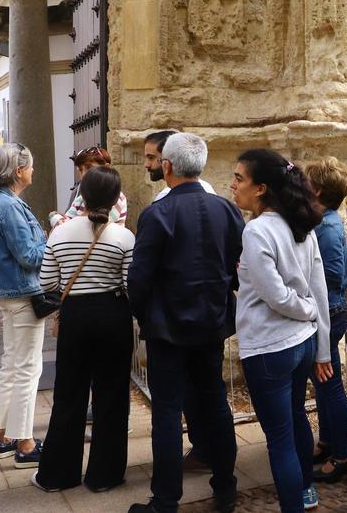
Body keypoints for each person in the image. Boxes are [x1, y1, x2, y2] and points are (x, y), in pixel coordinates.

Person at [127, 133, 241, 513]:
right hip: (211, 324)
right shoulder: (227, 209)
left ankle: (165, 499)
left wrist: (144, 316)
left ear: (168, 165)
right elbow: (236, 267)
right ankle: (225, 486)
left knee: (168, 412)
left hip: (168, 329)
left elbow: (138, 279)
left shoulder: (157, 214)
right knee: (215, 403)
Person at [231, 148, 330, 512]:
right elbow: (317, 286)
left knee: (280, 439)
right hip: (300, 343)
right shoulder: (300, 222)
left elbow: (278, 296)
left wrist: (308, 313)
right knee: (296, 420)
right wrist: (320, 344)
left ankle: (294, 504)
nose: (232, 185)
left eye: (239, 178)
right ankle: (305, 491)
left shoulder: (258, 231)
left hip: (271, 346)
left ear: (260, 188)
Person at [32, 166, 136, 493]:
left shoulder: (60, 233)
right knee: (112, 394)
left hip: (75, 315)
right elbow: (128, 284)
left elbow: (46, 282)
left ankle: (59, 475)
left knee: (69, 394)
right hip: (112, 314)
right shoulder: (123, 236)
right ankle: (104, 475)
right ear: (115, 196)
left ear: (82, 195)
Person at [0, 143, 48, 468]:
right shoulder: (9, 206)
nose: (33, 171)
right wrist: (54, 235)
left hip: (8, 293)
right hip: (22, 294)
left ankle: (3, 437)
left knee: (11, 365)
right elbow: (30, 256)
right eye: (30, 166)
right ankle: (25, 444)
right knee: (27, 369)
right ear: (18, 170)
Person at [302, 158, 347, 483]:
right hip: (326, 311)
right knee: (323, 384)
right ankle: (328, 441)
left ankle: (343, 457)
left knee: (330, 384)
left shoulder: (328, 226)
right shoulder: (322, 221)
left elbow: (333, 276)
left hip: (329, 314)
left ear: (318, 190)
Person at [49, 147, 128, 227]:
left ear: (106, 168)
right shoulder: (80, 197)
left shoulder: (116, 197)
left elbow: (99, 224)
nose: (84, 174)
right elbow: (66, 221)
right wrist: (56, 217)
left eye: (89, 168)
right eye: (80, 170)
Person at [143, 130, 217, 201]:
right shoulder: (207, 191)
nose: (146, 165)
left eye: (151, 158)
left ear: (167, 156)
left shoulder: (165, 199)